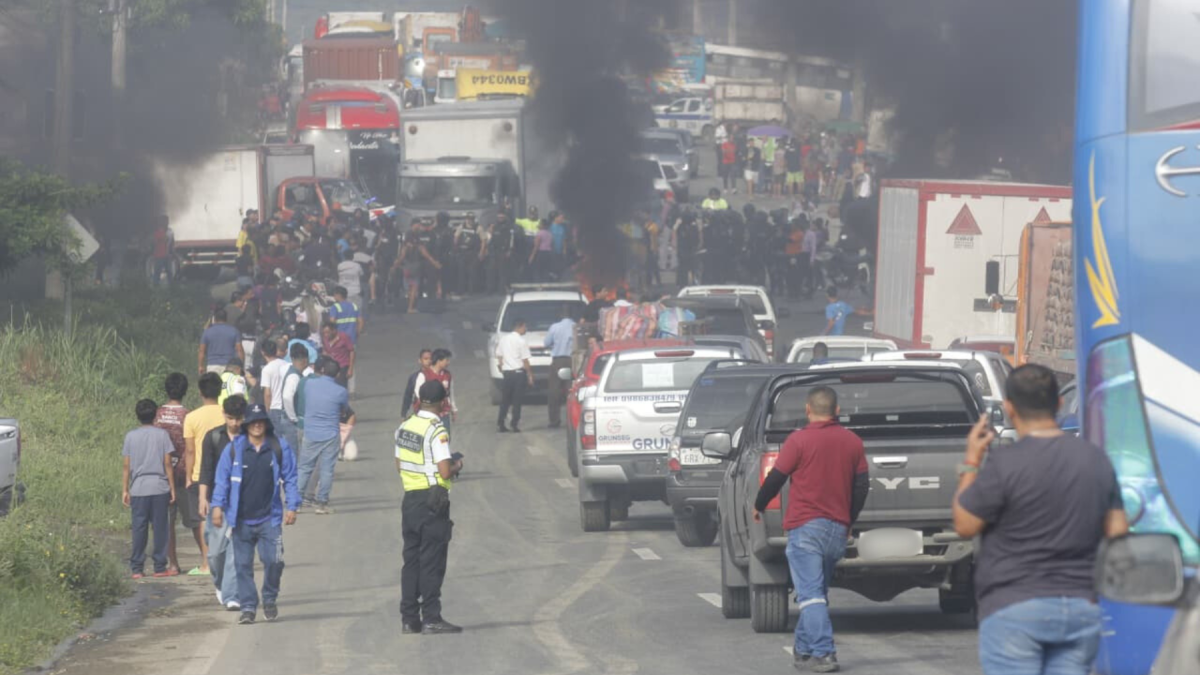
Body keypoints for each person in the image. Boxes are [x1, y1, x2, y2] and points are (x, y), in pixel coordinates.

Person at [954, 365, 1129, 675]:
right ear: (1059, 403)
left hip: (1014, 606)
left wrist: (971, 462)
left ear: (1009, 408)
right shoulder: (1095, 459)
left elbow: (965, 525)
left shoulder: (1004, 463)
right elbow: (1118, 529)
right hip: (1079, 608)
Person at [754, 386, 869, 673]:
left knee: (811, 594)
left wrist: (759, 505)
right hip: (836, 530)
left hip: (805, 528)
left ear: (808, 410)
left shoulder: (798, 441)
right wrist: (849, 520)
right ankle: (804, 650)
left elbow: (775, 478)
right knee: (815, 592)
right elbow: (861, 486)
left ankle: (823, 652)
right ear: (837, 411)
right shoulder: (853, 442)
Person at [210, 403, 301, 625]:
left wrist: (292, 506)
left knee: (274, 561)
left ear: (266, 423)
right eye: (253, 421)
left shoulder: (278, 447)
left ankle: (269, 599)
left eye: (261, 421)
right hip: (241, 520)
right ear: (246, 424)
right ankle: (248, 607)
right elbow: (221, 481)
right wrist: (217, 507)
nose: (257, 425)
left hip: (270, 518)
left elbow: (290, 477)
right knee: (242, 566)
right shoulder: (234, 450)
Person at [397, 380, 464, 634]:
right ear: (443, 402)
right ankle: (432, 618)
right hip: (433, 501)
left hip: (410, 500)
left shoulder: (404, 427)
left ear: (418, 400)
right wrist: (457, 465)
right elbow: (444, 470)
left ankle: (409, 619)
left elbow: (399, 464)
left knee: (411, 561)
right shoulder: (437, 431)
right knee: (432, 562)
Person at [197, 394, 247, 611]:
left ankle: (232, 595)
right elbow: (206, 470)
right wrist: (202, 498)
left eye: (238, 418)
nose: (234, 423)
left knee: (236, 550)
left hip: (243, 503)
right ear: (224, 415)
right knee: (216, 553)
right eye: (230, 418)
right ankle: (220, 583)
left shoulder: (251, 437)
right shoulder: (214, 437)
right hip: (219, 502)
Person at [123, 399, 177, 579]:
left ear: (137, 416)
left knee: (139, 528)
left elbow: (127, 466)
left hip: (138, 488)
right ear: (155, 415)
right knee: (160, 528)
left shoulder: (130, 436)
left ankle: (137, 568)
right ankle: (159, 567)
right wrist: (172, 487)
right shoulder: (162, 435)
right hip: (159, 487)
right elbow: (167, 463)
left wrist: (125, 489)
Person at [296, 357, 352, 514]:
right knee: (326, 470)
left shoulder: (309, 384)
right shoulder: (341, 391)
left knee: (304, 467)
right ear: (337, 374)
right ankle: (321, 504)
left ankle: (296, 503)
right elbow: (344, 409)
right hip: (330, 434)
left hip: (310, 432)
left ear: (322, 370)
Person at [182, 373, 225, 575]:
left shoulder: (191, 417)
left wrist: (188, 476)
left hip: (200, 474)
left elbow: (190, 451)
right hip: (224, 473)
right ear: (220, 391)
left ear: (200, 392)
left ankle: (206, 564)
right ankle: (226, 559)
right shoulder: (227, 414)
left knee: (202, 518)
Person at [152, 373, 189, 576]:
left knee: (168, 521)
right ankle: (208, 559)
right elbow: (190, 448)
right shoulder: (188, 416)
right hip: (184, 474)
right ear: (185, 391)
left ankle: (173, 563)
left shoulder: (156, 415)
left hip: (161, 474)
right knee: (196, 519)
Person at [495, 318, 533, 433]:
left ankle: (501, 423)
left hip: (507, 373)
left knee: (505, 400)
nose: (525, 329)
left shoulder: (504, 339)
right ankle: (514, 424)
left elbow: (499, 355)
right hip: (518, 373)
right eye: (525, 327)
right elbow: (525, 361)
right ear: (520, 327)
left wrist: (501, 367)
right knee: (517, 400)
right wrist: (530, 375)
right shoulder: (521, 341)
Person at [543, 306, 575, 429]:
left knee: (554, 391)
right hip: (572, 361)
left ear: (560, 315)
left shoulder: (554, 327)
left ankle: (554, 420)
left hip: (558, 362)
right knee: (571, 391)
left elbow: (546, 343)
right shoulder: (575, 326)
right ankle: (572, 419)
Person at [412, 348, 457, 429]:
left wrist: (454, 409)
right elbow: (418, 394)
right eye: (446, 360)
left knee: (443, 435)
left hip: (443, 414)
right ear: (439, 361)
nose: (448, 363)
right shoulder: (423, 375)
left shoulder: (447, 375)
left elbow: (450, 393)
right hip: (427, 415)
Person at [279, 344, 309, 453]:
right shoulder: (294, 376)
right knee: (293, 454)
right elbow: (287, 396)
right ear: (306, 360)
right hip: (290, 422)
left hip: (287, 419)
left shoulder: (291, 372)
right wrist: (293, 418)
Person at [198, 309, 244, 376]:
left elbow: (201, 351)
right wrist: (241, 366)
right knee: (227, 383)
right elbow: (239, 350)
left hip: (212, 365)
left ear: (215, 318)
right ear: (226, 318)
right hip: (229, 365)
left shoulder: (207, 332)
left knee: (213, 382)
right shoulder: (234, 331)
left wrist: (200, 366)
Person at [453, 215, 485, 295]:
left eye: (472, 219)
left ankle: (471, 291)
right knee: (461, 272)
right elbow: (456, 237)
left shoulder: (478, 228)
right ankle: (461, 291)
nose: (470, 220)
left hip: (473, 253)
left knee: (472, 273)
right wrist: (455, 248)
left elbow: (483, 241)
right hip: (462, 252)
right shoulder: (461, 226)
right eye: (469, 219)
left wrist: (481, 252)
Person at [320, 321, 355, 392]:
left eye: (328, 332)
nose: (326, 335)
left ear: (334, 331)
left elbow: (351, 351)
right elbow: (324, 350)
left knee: (341, 387)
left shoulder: (344, 337)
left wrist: (350, 368)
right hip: (330, 367)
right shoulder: (324, 339)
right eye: (324, 333)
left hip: (342, 366)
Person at [402, 349, 434, 416]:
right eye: (426, 359)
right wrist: (404, 413)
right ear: (420, 360)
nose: (429, 361)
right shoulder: (414, 377)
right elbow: (408, 396)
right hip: (420, 411)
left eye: (431, 359)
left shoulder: (439, 376)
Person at [151, 218, 173, 286]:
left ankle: (171, 286)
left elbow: (170, 242)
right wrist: (162, 238)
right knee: (157, 272)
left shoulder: (168, 231)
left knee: (169, 272)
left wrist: (171, 252)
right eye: (165, 222)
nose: (166, 223)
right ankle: (156, 286)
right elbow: (155, 242)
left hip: (166, 255)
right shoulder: (157, 232)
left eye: (167, 221)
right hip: (159, 255)